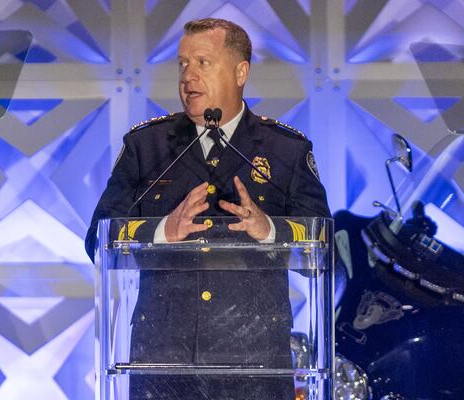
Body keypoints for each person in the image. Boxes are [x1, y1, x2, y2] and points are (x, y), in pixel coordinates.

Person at [86, 18, 330, 400]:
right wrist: (164, 230)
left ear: (240, 72)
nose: (188, 76)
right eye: (183, 64)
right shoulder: (147, 147)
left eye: (203, 62)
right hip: (163, 357)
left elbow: (323, 241)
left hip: (256, 359)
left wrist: (268, 229)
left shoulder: (286, 150)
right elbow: (97, 237)